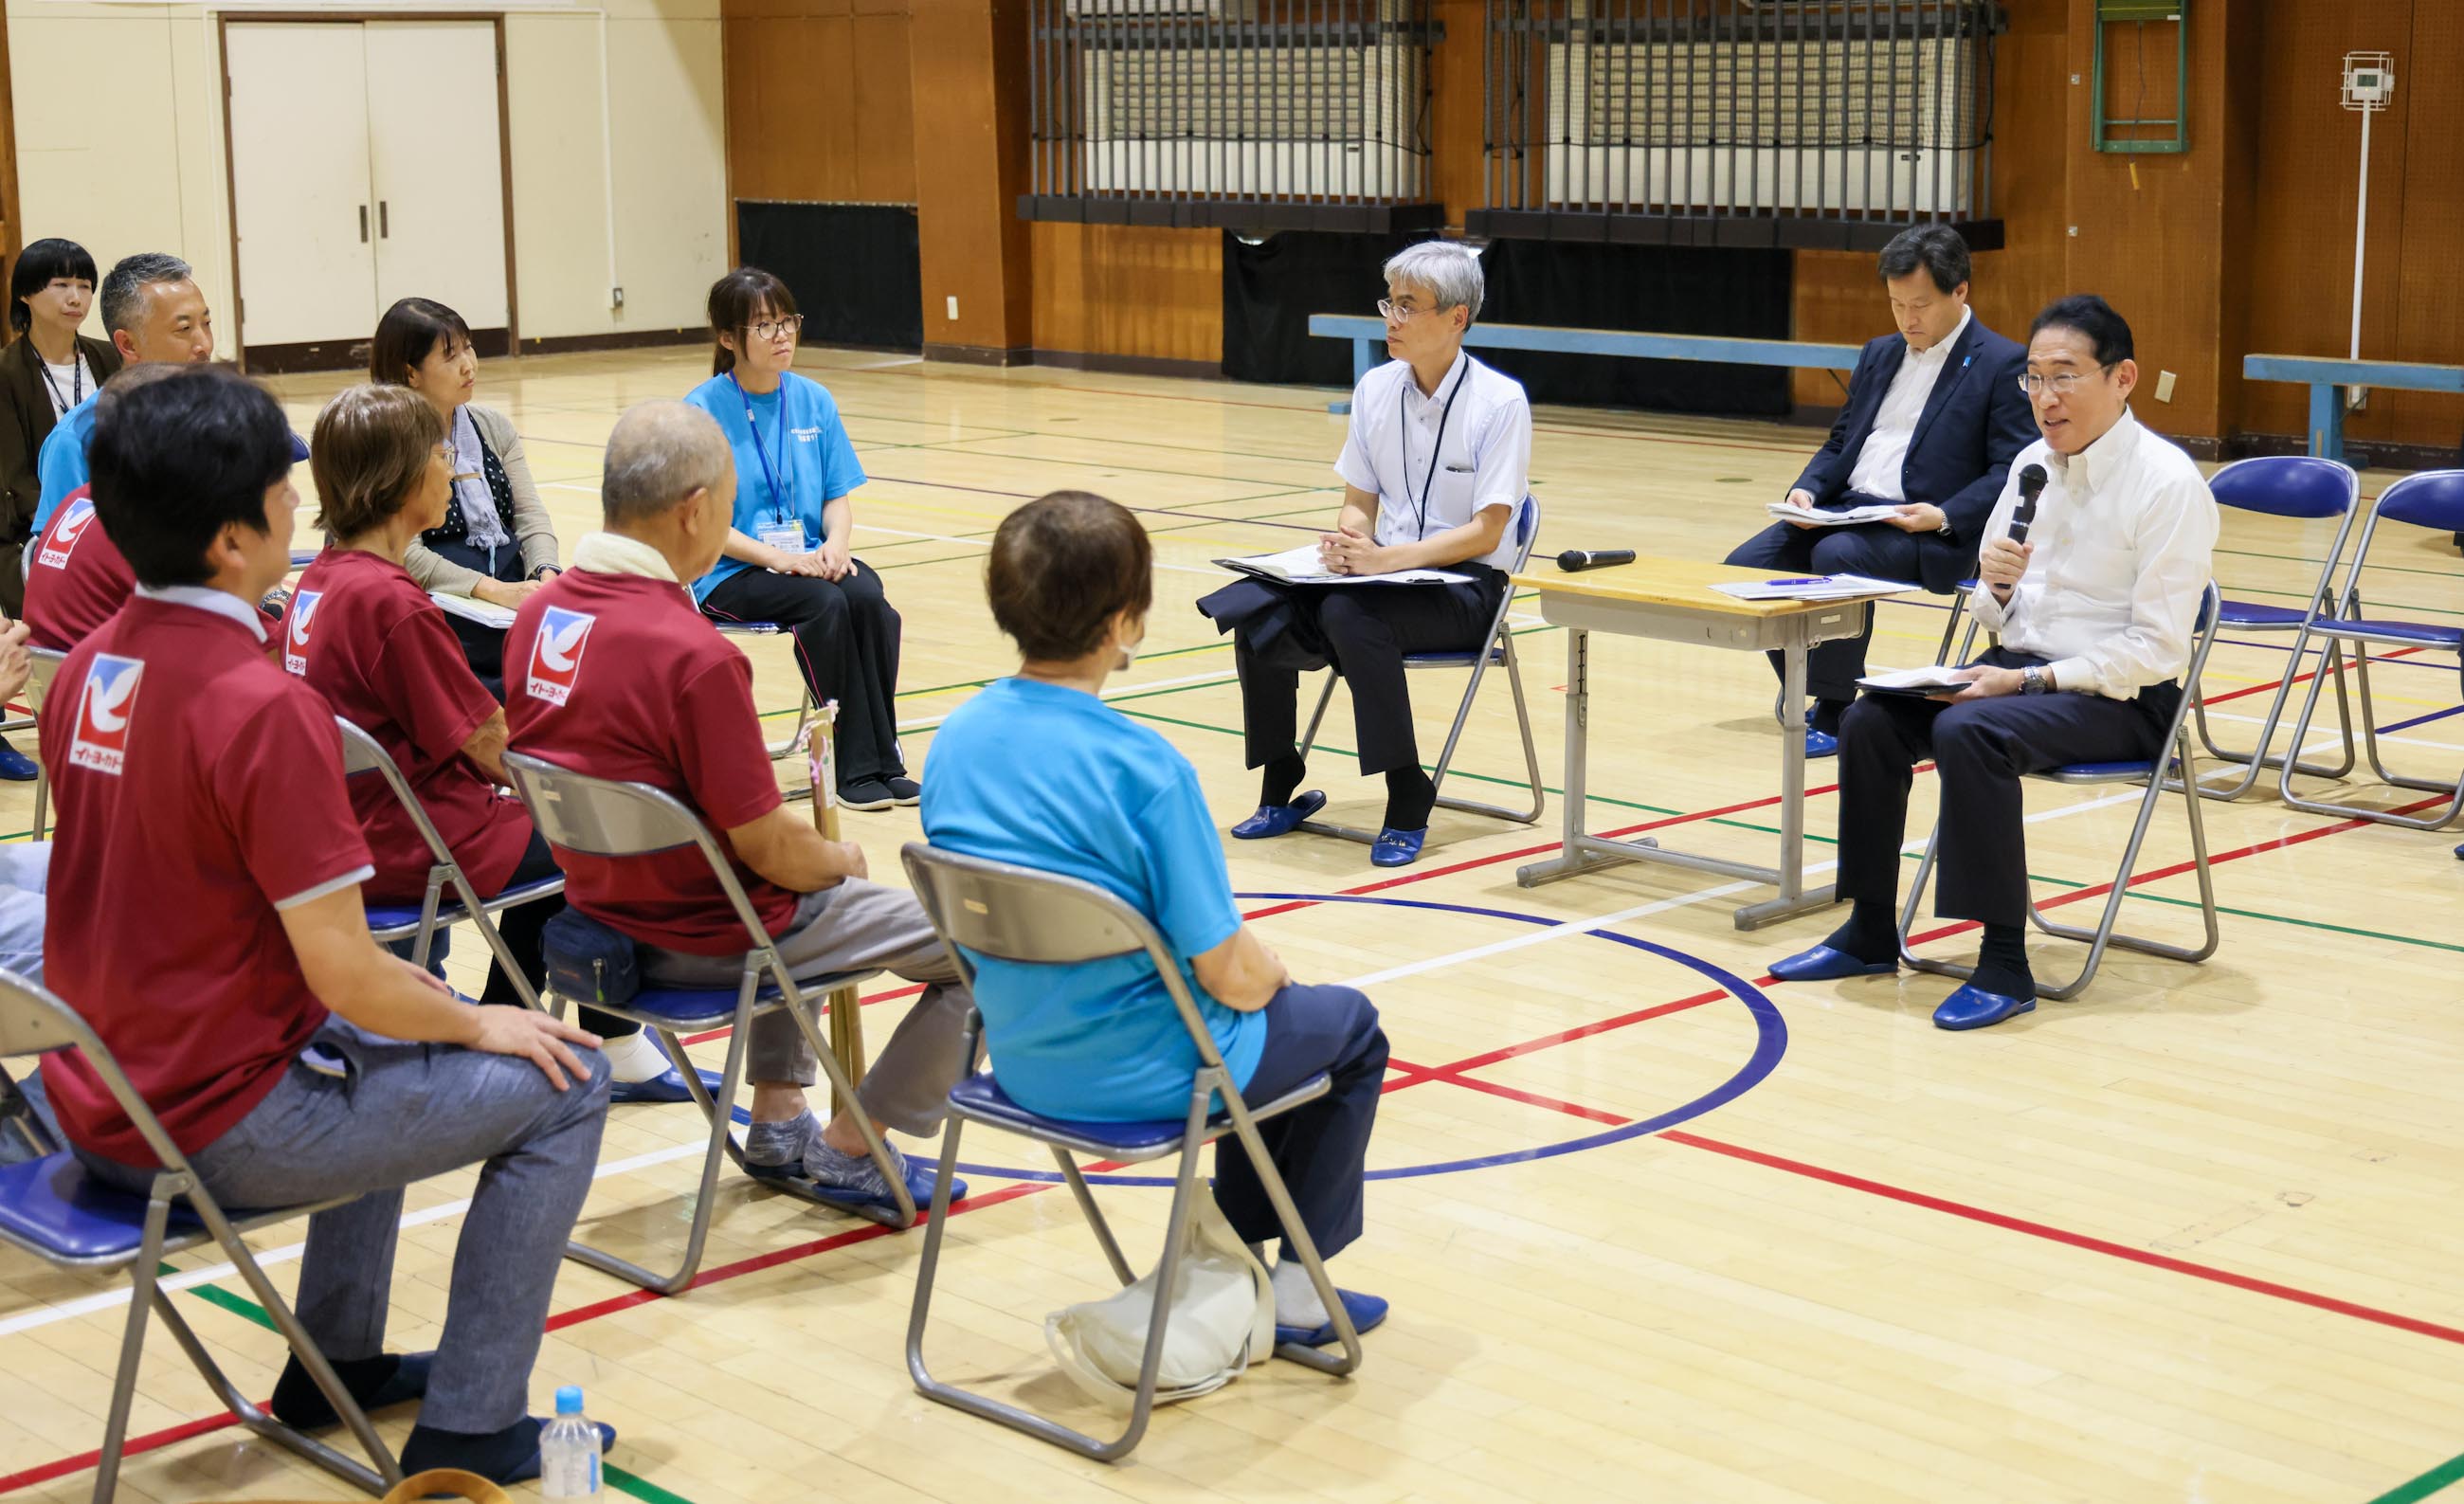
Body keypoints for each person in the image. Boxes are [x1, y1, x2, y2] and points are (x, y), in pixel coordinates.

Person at [40, 363, 613, 1482]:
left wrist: (432, 1020)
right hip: (214, 1118)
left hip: (98, 1089)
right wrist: (485, 1021)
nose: (296, 507)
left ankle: (333, 1366)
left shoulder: (83, 670)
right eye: (279, 491)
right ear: (230, 538)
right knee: (567, 1081)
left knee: (403, 1040)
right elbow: (349, 970)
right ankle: (471, 1421)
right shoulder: (259, 706)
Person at [925, 489, 1390, 1345]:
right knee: (1343, 1027)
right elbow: (1230, 974)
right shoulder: (1147, 769)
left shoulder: (954, 740)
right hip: (1153, 1077)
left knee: (1270, 1030)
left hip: (1018, 1062)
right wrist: (1272, 971)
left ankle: (1238, 1261)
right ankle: (1292, 1287)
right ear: (1125, 619)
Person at [505, 400, 966, 1209]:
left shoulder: (538, 616)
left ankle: (779, 1116)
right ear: (693, 512)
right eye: (728, 499)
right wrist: (842, 859)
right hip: (705, 941)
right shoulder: (694, 656)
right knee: (977, 947)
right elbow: (768, 850)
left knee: (796, 886)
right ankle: (855, 1146)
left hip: (597, 924)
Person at [1767, 296, 2218, 1031]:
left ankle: (2005, 961)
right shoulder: (2032, 466)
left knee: (1968, 733)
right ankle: (1871, 928)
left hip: (2122, 699)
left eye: (2064, 376)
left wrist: (2028, 678)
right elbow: (1998, 614)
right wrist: (1999, 590)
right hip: (2014, 671)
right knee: (1871, 718)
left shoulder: (2167, 484)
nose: (2045, 397)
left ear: (2124, 377)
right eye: (2033, 378)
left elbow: (2160, 648)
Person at [287, 384, 707, 1103]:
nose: (452, 468)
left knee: (560, 828)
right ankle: (591, 1034)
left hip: (349, 825)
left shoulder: (318, 583)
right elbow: (489, 746)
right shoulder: (389, 601)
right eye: (438, 453)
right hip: (415, 839)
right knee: (599, 833)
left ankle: (510, 1008)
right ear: (399, 477)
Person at [1198, 240, 1529, 868]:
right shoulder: (1375, 388)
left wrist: (1386, 561)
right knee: (1254, 605)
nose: (1392, 319)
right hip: (1383, 579)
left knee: (1350, 618)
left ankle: (1408, 787)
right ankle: (1280, 772)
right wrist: (1352, 541)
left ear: (1457, 318)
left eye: (1409, 305)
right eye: (1390, 302)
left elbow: (1488, 533)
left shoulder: (1500, 403)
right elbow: (1358, 501)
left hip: (1465, 590)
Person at [1723, 226, 2034, 757]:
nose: (1907, 319)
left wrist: (1942, 514)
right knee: (1745, 565)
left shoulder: (2002, 362)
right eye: (1896, 304)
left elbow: (2013, 467)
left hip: (1933, 531)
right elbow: (1842, 439)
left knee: (1836, 554)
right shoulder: (1879, 353)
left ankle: (1836, 707)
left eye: (1920, 305)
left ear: (1960, 292)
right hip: (1847, 512)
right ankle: (1818, 684)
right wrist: (1807, 489)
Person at [682, 268, 915, 811]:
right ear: (727, 338)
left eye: (787, 321)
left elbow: (837, 494)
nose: (782, 334)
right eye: (764, 326)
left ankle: (886, 759)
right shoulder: (701, 410)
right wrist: (782, 562)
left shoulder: (813, 400)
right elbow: (708, 524)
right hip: (730, 570)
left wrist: (835, 543)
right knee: (826, 604)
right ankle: (849, 766)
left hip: (807, 560)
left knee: (869, 599)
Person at [24, 364, 303, 653]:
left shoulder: (84, 499)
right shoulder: (158, 522)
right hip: (131, 683)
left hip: (68, 680)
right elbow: (273, 653)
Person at [369, 298, 561, 696]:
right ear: (411, 373)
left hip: (512, 595)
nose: (468, 364)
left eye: (468, 348)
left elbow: (530, 517)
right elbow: (407, 552)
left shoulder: (493, 426)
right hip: (444, 607)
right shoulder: (389, 441)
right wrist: (494, 591)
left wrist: (544, 574)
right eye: (450, 355)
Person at [32, 252, 215, 536]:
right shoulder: (76, 442)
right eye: (184, 329)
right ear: (128, 344)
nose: (204, 344)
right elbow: (59, 563)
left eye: (206, 323)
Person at [0, 238, 119, 610]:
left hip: (119, 514)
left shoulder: (109, 356)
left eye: (85, 286)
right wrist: (79, 529)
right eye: (61, 285)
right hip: (39, 532)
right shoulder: (6, 373)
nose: (76, 298)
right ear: (25, 294)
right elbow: (15, 480)